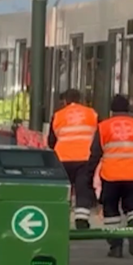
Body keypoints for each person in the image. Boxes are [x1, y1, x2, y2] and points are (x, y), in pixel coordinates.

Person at [86, 95, 133, 258]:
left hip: (111, 175)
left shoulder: (103, 127)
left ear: (112, 110)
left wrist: (88, 175)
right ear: (128, 109)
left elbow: (95, 154)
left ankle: (116, 247)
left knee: (111, 210)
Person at [48, 89, 98, 229]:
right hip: (84, 157)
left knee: (64, 189)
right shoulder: (91, 114)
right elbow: (98, 137)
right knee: (83, 188)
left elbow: (51, 141)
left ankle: (59, 219)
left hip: (63, 158)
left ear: (65, 101)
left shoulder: (58, 115)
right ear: (80, 100)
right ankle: (81, 219)